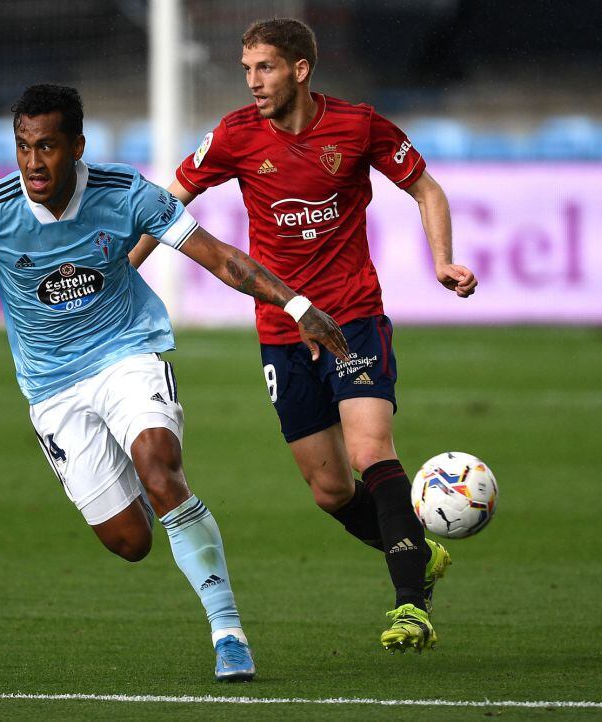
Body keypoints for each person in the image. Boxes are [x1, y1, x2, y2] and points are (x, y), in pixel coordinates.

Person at [0, 84, 349, 680]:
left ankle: (227, 631)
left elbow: (221, 258)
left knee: (161, 468)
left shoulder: (125, 194)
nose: (34, 163)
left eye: (48, 147)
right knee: (131, 542)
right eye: (23, 147)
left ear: (77, 146)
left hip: (126, 352)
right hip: (53, 386)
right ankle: (154, 498)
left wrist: (297, 307)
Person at [129, 18, 478, 653]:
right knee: (329, 489)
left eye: (264, 68)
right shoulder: (235, 136)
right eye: (246, 70)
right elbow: (165, 201)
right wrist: (125, 269)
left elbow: (425, 188)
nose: (253, 82)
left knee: (371, 451)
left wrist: (442, 260)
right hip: (281, 329)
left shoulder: (358, 126)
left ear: (300, 68)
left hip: (352, 317)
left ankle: (410, 606)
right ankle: (418, 554)